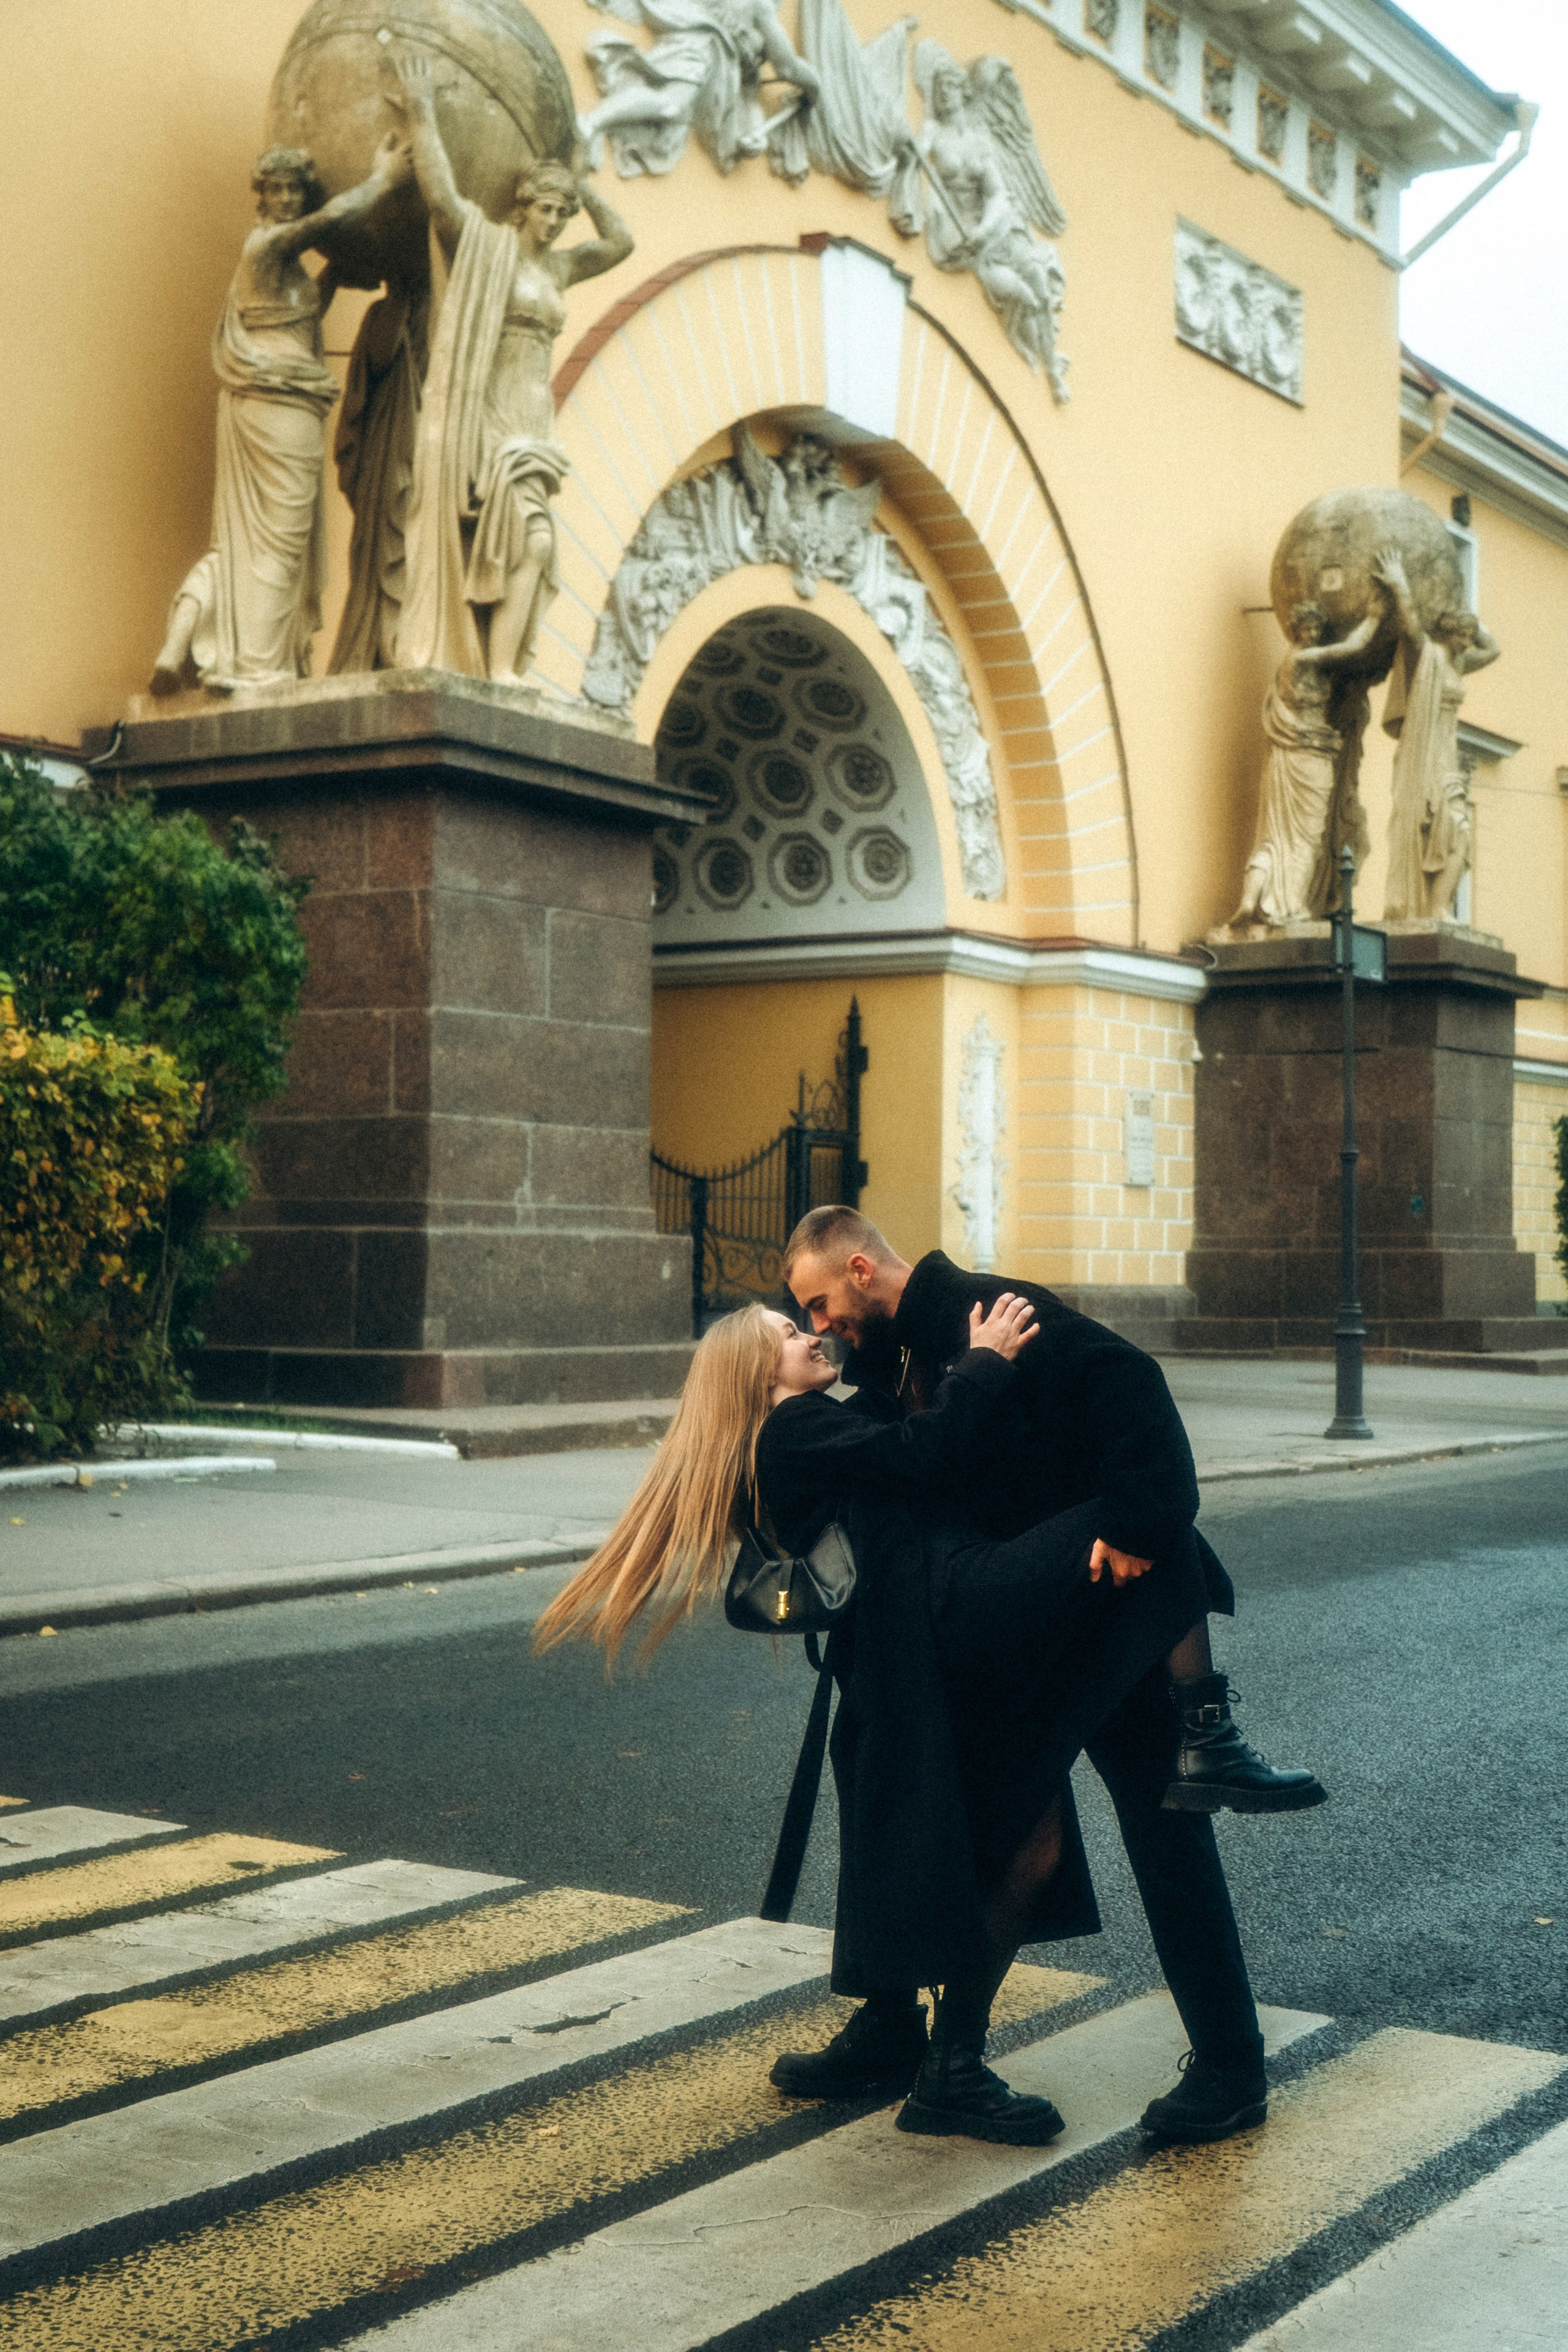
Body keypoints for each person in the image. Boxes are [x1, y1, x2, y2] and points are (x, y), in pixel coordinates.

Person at [535, 1289, 1296, 2147]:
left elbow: (902, 1441)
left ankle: (947, 2065)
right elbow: (922, 1453)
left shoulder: (812, 1425)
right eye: (792, 1331)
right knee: (1149, 1522)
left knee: (1026, 1843)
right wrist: (986, 1359)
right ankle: (1206, 1728)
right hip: (958, 1607)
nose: (815, 1332)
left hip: (937, 1638)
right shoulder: (789, 1430)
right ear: (756, 1375)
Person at [778, 1205, 1324, 2142]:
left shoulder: (995, 1311)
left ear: (862, 1270)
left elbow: (1131, 1385)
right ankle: (909, 2039)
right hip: (1007, 1633)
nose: (822, 1325)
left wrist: (1136, 1522)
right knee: (965, 1833)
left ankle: (1230, 2067)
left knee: (1167, 1832)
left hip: (1096, 1619)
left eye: (822, 1303)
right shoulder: (888, 1358)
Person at [386, 53, 634, 683]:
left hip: (535, 423)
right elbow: (441, 195)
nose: (554, 223)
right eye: (546, 209)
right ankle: (499, 670)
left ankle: (500, 665)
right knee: (533, 542)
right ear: (521, 205)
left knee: (531, 543)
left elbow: (621, 243)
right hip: (490, 418)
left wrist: (582, 180)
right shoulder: (487, 247)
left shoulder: (559, 269)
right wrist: (421, 110)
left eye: (562, 213)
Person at [151, 137, 411, 696]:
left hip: (273, 403)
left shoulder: (286, 271)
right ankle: (257, 668)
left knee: (244, 537)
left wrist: (336, 278)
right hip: (280, 406)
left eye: (296, 188)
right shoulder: (265, 249)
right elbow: (327, 220)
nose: (289, 198)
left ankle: (180, 642)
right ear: (261, 196)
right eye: (278, 189)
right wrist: (384, 181)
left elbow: (296, 318)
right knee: (284, 536)